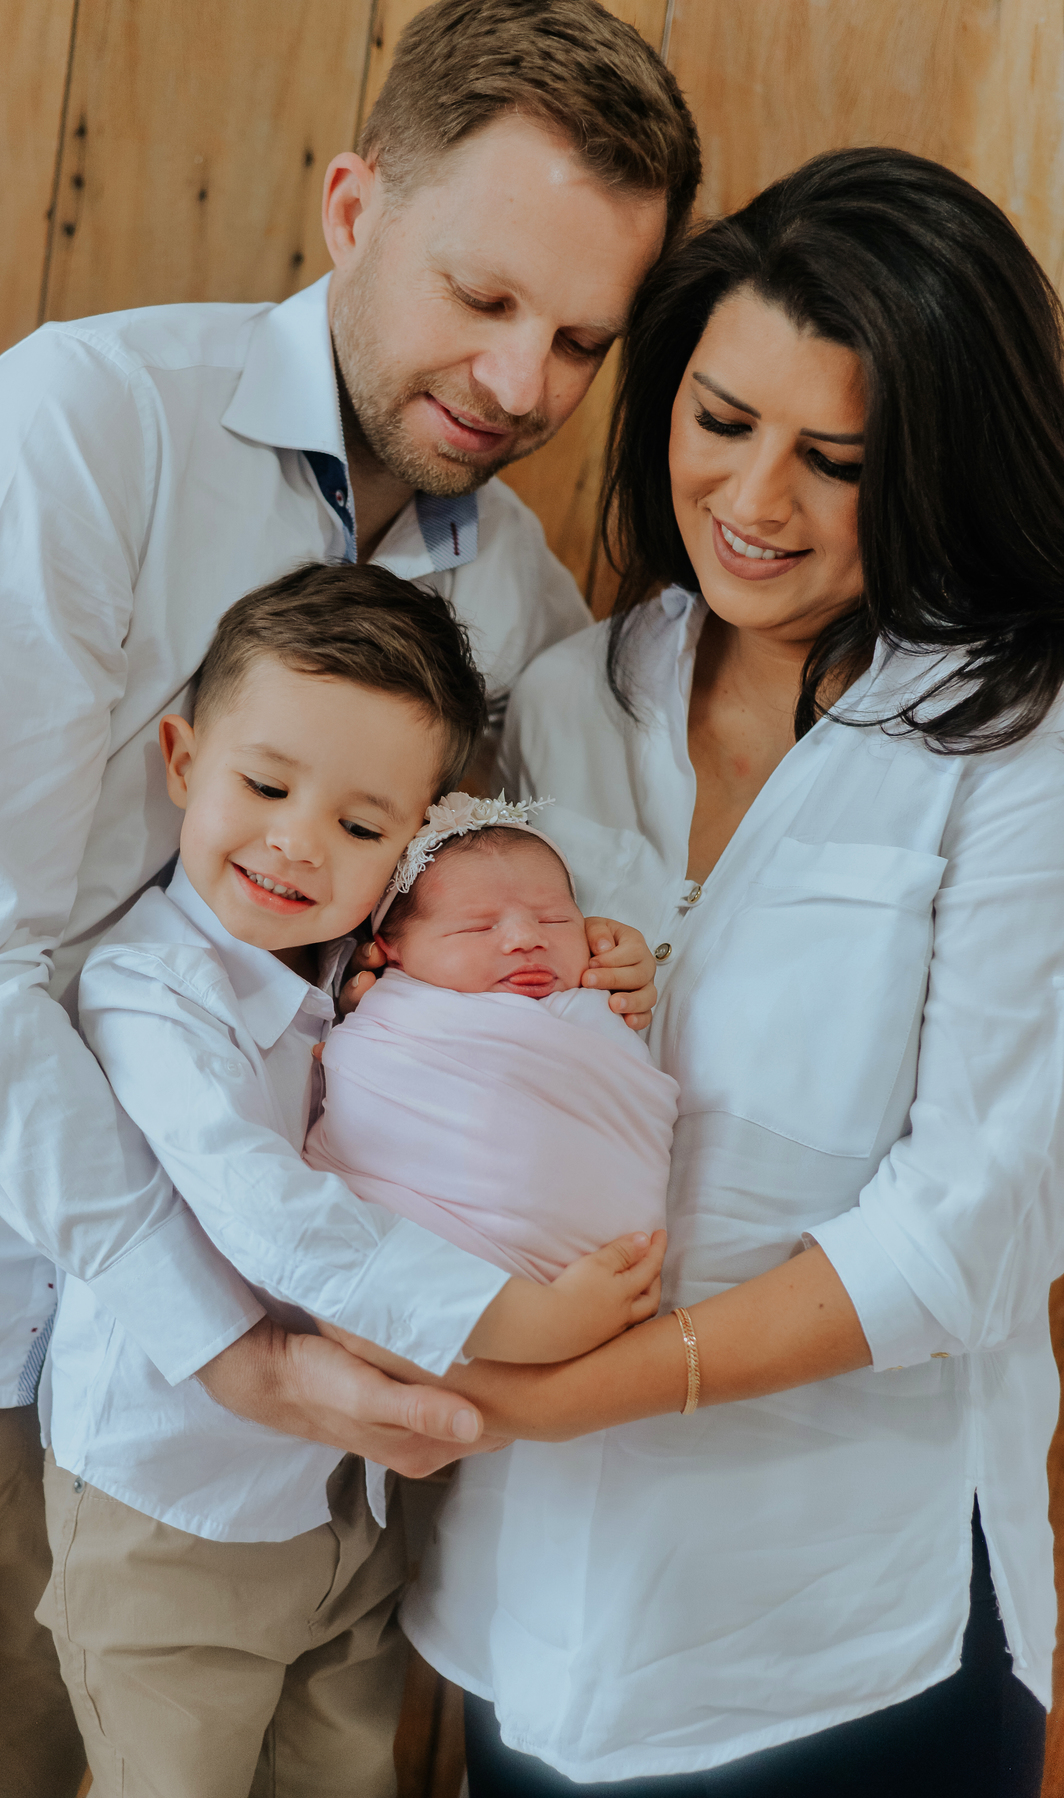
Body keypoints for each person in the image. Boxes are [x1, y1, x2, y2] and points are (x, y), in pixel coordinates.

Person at [0, 3, 698, 1789]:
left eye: (578, 339)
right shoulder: (79, 428)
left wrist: (597, 955)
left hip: (124, 1446)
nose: (522, 382)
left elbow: (474, 939)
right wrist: (229, 1340)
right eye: (482, 295)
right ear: (351, 206)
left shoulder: (518, 605)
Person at [396, 148, 1063, 1797]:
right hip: (528, 1618)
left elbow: (969, 1226)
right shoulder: (566, 698)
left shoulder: (1018, 745)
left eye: (839, 462)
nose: (757, 502)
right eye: (721, 419)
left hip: (845, 1635)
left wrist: (578, 1391)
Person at [45, 562, 664, 1797]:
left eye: (362, 828)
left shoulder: (364, 972)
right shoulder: (151, 990)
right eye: (266, 786)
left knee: (344, 1773)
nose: (297, 842)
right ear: (183, 761)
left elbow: (502, 1005)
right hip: (173, 1508)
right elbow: (273, 1217)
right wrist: (514, 1321)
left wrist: (604, 961)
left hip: (345, 1507)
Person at [306, 799, 677, 1292]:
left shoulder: (599, 1003)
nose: (526, 938)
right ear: (390, 952)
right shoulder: (389, 1010)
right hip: (414, 1259)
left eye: (554, 920)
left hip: (602, 1272)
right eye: (479, 927)